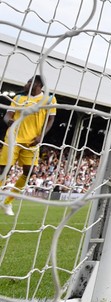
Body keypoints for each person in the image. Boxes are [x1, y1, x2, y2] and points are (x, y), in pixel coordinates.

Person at [2, 75, 57, 216]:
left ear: (38, 84)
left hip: (32, 142)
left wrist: (41, 136)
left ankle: (7, 202)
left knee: (29, 172)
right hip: (13, 138)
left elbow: (50, 120)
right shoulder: (19, 98)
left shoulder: (49, 99)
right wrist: (10, 122)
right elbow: (8, 115)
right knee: (3, 170)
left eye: (29, 82)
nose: (25, 84)